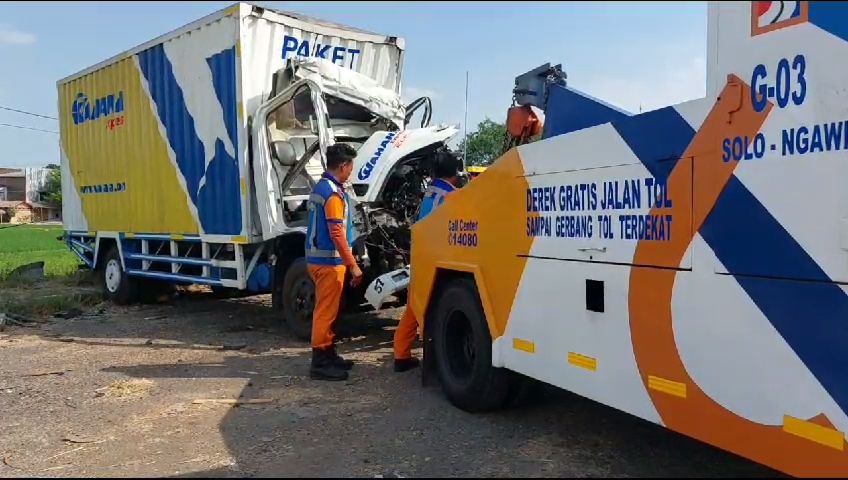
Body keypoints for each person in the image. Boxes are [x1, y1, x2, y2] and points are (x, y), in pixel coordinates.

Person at [393, 150, 464, 372]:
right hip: (439, 260)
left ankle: (401, 355)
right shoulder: (453, 195)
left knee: (414, 306)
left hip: (422, 257)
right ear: (455, 172)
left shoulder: (430, 193)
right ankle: (437, 357)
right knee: (433, 309)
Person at [305, 143, 364, 381]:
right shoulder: (332, 193)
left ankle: (329, 355)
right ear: (343, 166)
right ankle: (319, 363)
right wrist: (353, 265)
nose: (351, 171)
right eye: (351, 166)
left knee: (329, 312)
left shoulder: (322, 187)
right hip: (328, 263)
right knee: (325, 313)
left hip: (321, 260)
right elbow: (337, 233)